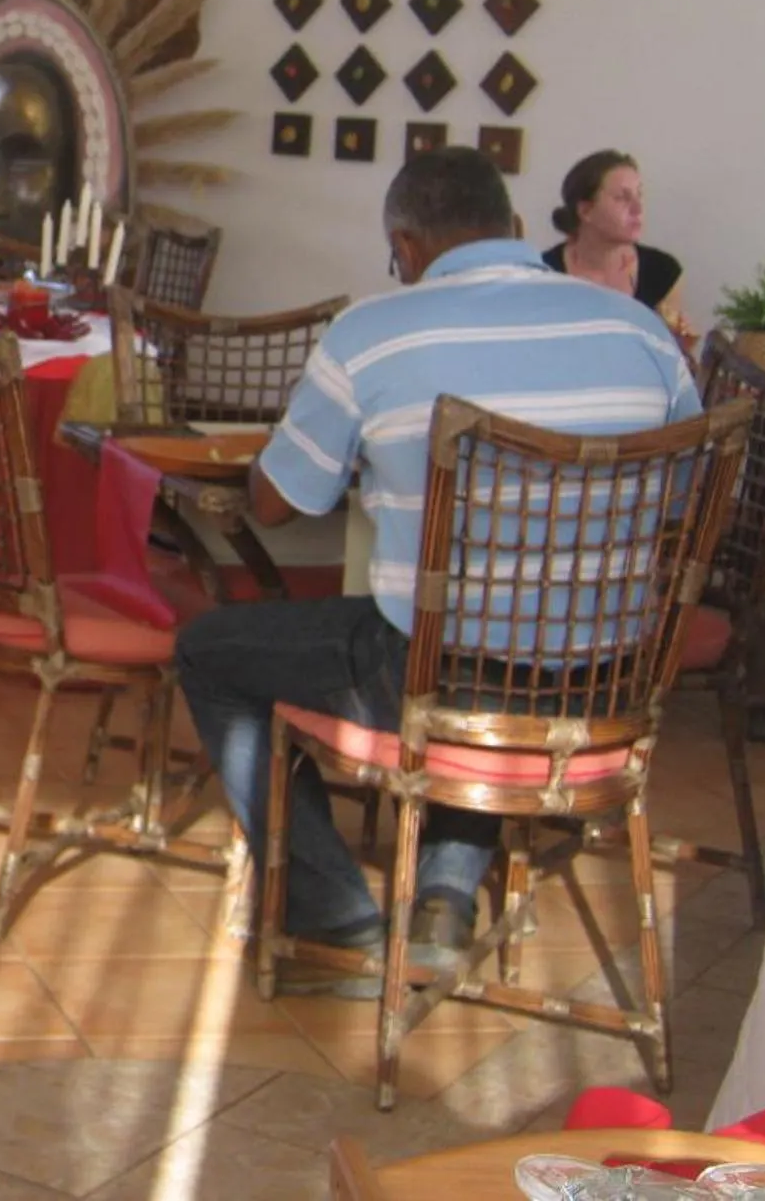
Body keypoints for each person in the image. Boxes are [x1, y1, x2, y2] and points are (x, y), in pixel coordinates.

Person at [174, 147, 702, 994]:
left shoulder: (376, 331)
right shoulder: (638, 329)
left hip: (443, 685)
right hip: (608, 687)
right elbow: (686, 494)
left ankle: (338, 918)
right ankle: (446, 899)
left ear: (407, 248)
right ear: (518, 231)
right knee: (491, 645)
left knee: (214, 651)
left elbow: (276, 505)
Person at [543, 150, 695, 343]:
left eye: (640, 195)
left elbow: (668, 357)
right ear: (586, 211)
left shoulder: (663, 272)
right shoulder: (543, 273)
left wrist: (679, 342)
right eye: (622, 198)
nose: (638, 209)